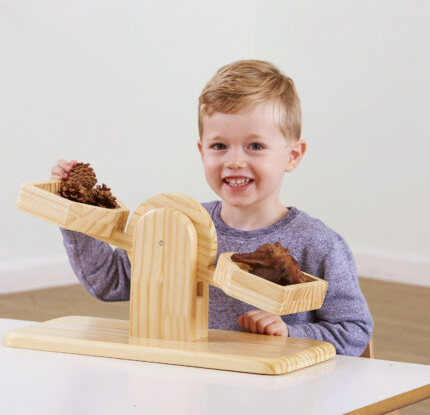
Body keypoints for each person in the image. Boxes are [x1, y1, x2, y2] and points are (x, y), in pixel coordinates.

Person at [51, 60, 373, 356]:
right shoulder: (182, 226)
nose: (234, 161)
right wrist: (73, 207)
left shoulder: (319, 244)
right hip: (194, 380)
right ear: (201, 151)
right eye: (219, 146)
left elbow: (354, 331)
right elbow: (109, 281)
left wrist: (291, 332)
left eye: (255, 146)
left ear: (293, 155)